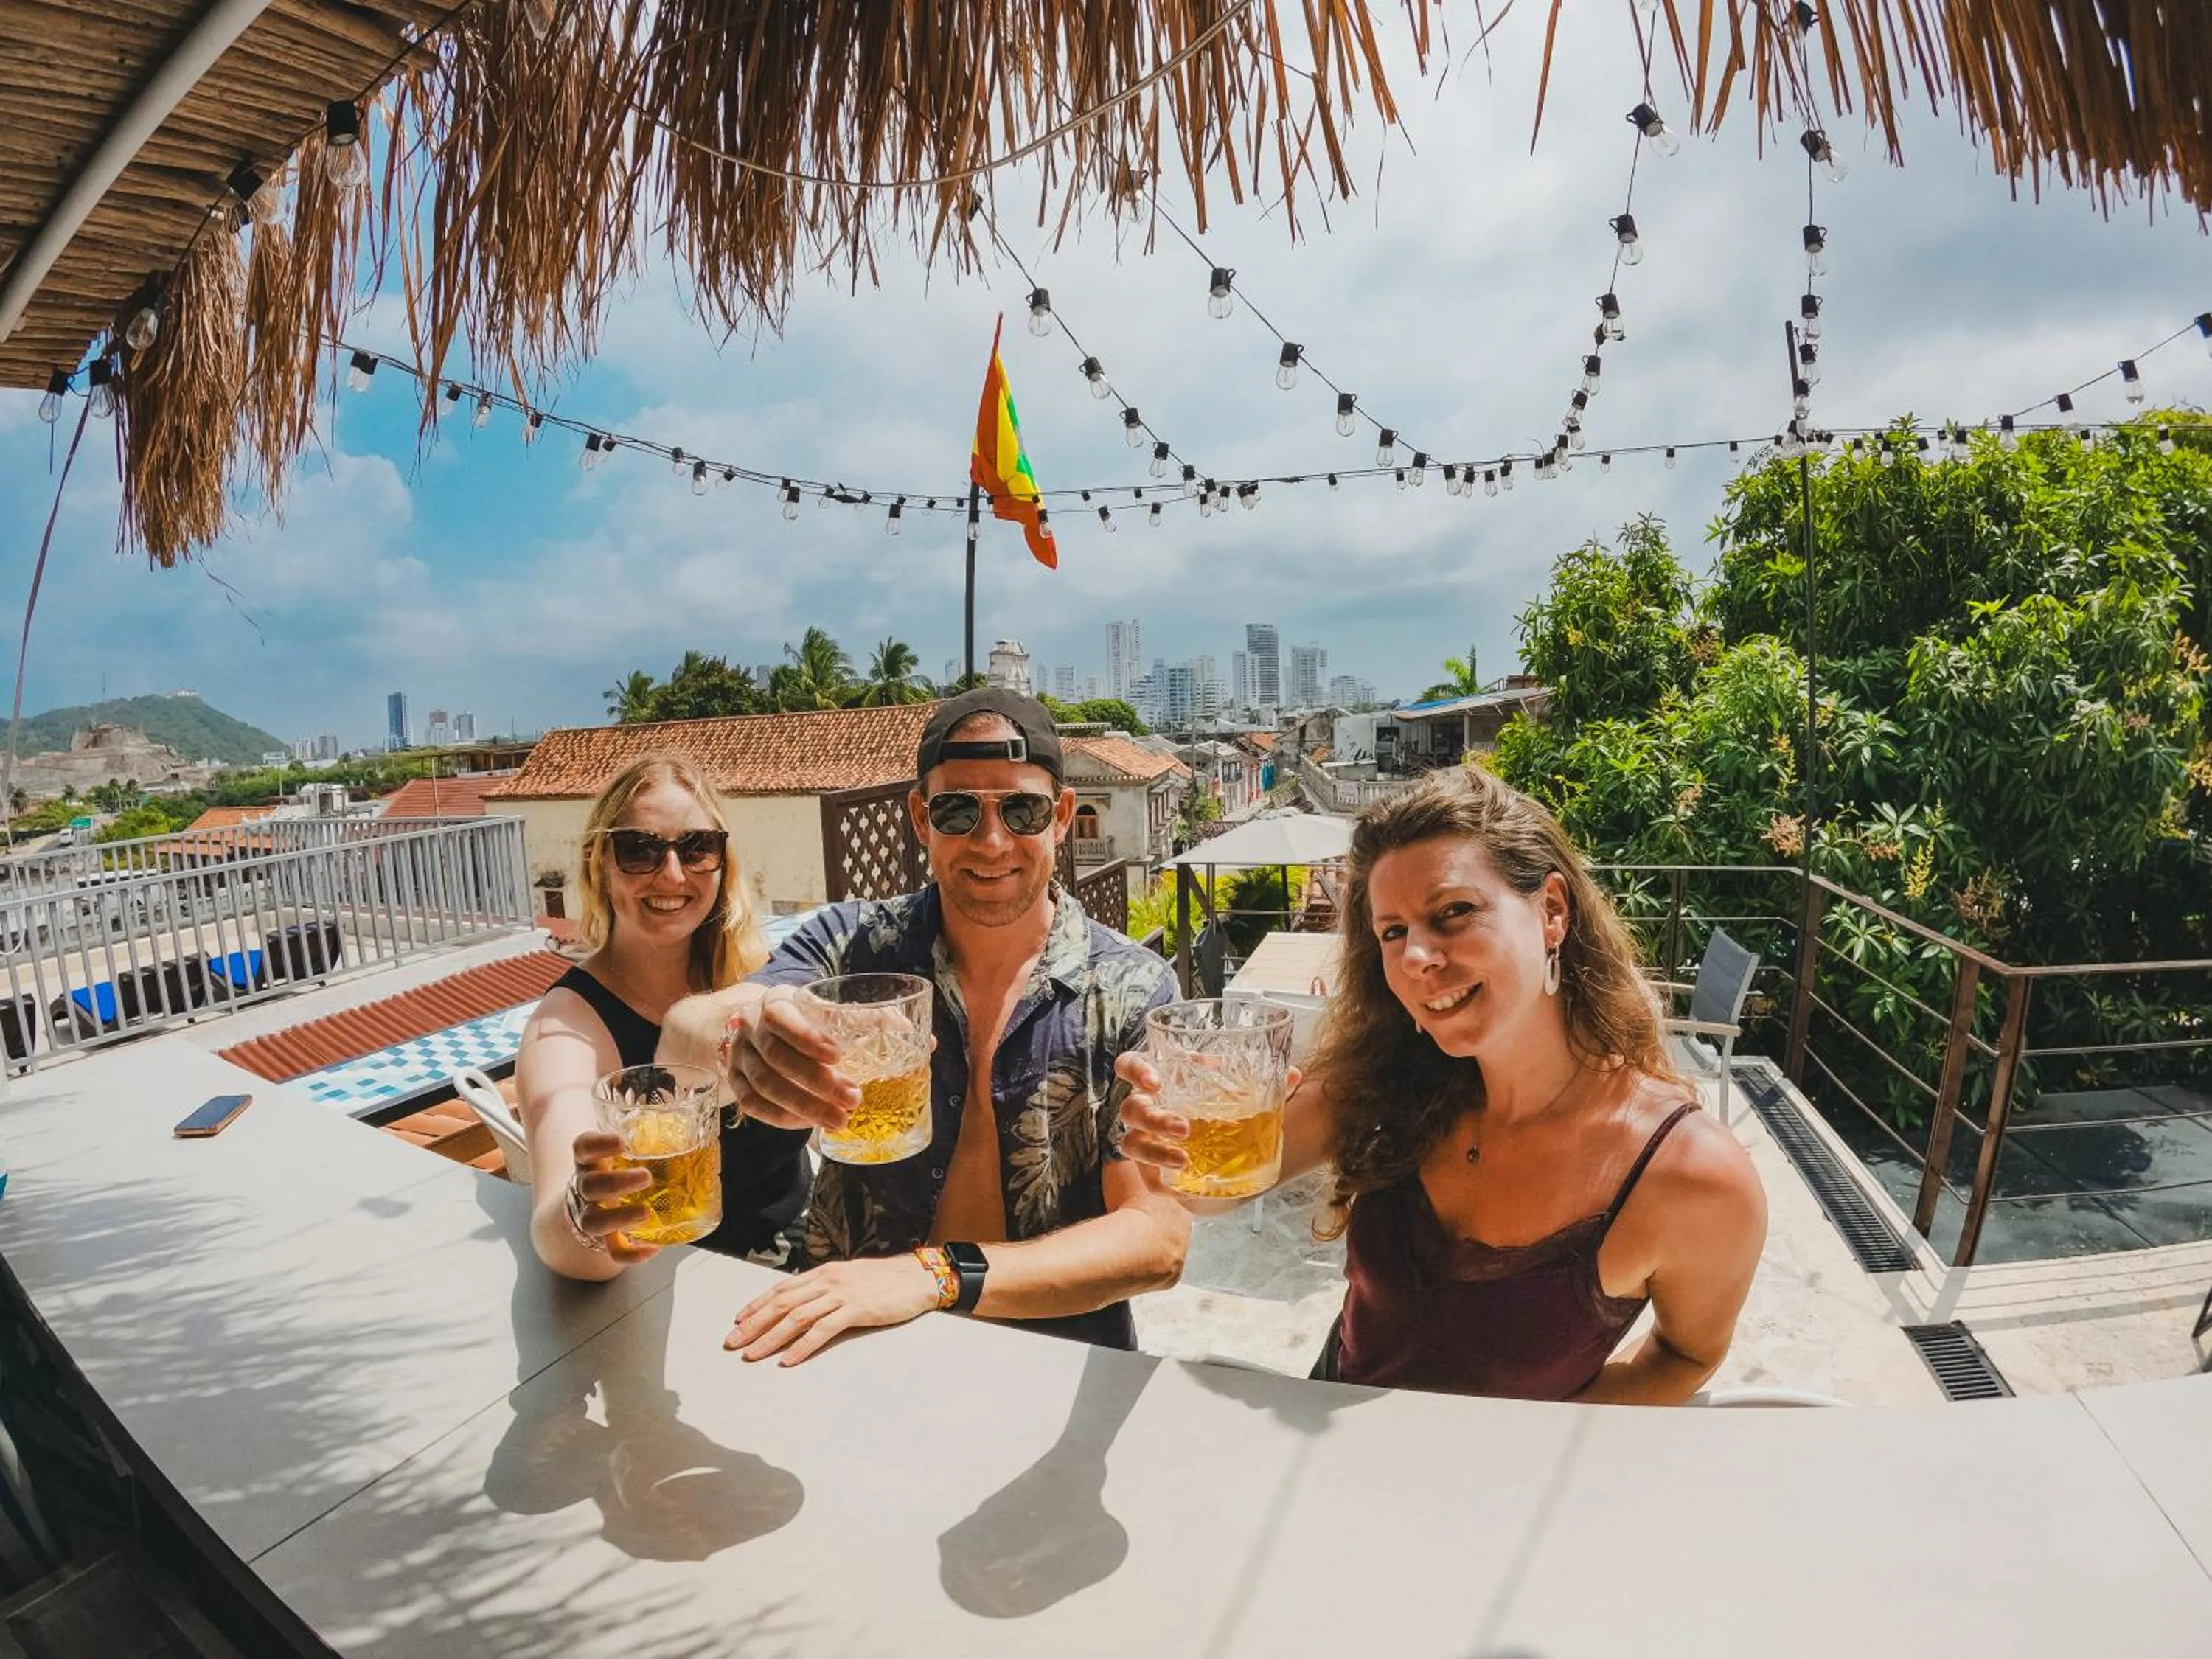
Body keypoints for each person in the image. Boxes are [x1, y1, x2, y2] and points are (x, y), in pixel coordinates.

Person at [1116, 765, 1767, 1404]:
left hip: (1495, 1495)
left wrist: (1532, 1452)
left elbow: (1688, 1354)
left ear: (1553, 912)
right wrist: (1170, 1151)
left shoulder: (1690, 1178)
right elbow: (1227, 1190)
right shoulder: (1387, 1083)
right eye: (1392, 932)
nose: (1416, 958)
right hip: (1337, 1439)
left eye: (1454, 912)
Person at [658, 687, 1189, 1363]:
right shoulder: (851, 946)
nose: (991, 841)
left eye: (1020, 810)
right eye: (959, 810)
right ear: (920, 818)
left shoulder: (1133, 989)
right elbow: (690, 1030)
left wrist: (932, 1276)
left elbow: (1156, 1240)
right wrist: (753, 1027)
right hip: (856, 1352)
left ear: (1060, 818)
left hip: (1053, 1359)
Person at [518, 753, 810, 1281]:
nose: (671, 875)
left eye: (698, 848)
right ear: (598, 862)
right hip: (679, 1293)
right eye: (639, 851)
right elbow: (554, 1226)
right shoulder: (565, 1027)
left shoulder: (753, 976)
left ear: (723, 863)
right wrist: (586, 1218)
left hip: (809, 1261)